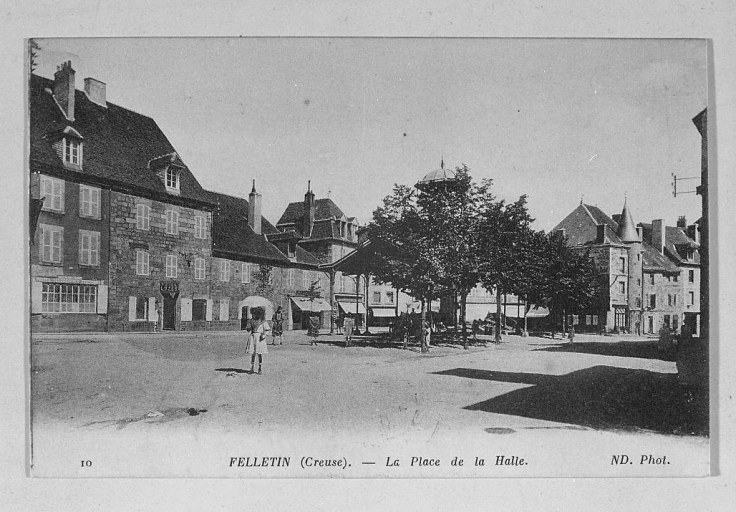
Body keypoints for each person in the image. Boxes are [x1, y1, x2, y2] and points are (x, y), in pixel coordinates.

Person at [245, 306, 270, 374]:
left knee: (259, 353)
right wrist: (249, 327)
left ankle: (260, 368)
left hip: (259, 338)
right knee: (253, 353)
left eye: (255, 313)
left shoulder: (262, 321)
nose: (254, 315)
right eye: (253, 313)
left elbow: (267, 329)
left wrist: (263, 335)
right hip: (253, 337)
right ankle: (252, 368)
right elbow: (248, 329)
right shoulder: (251, 321)